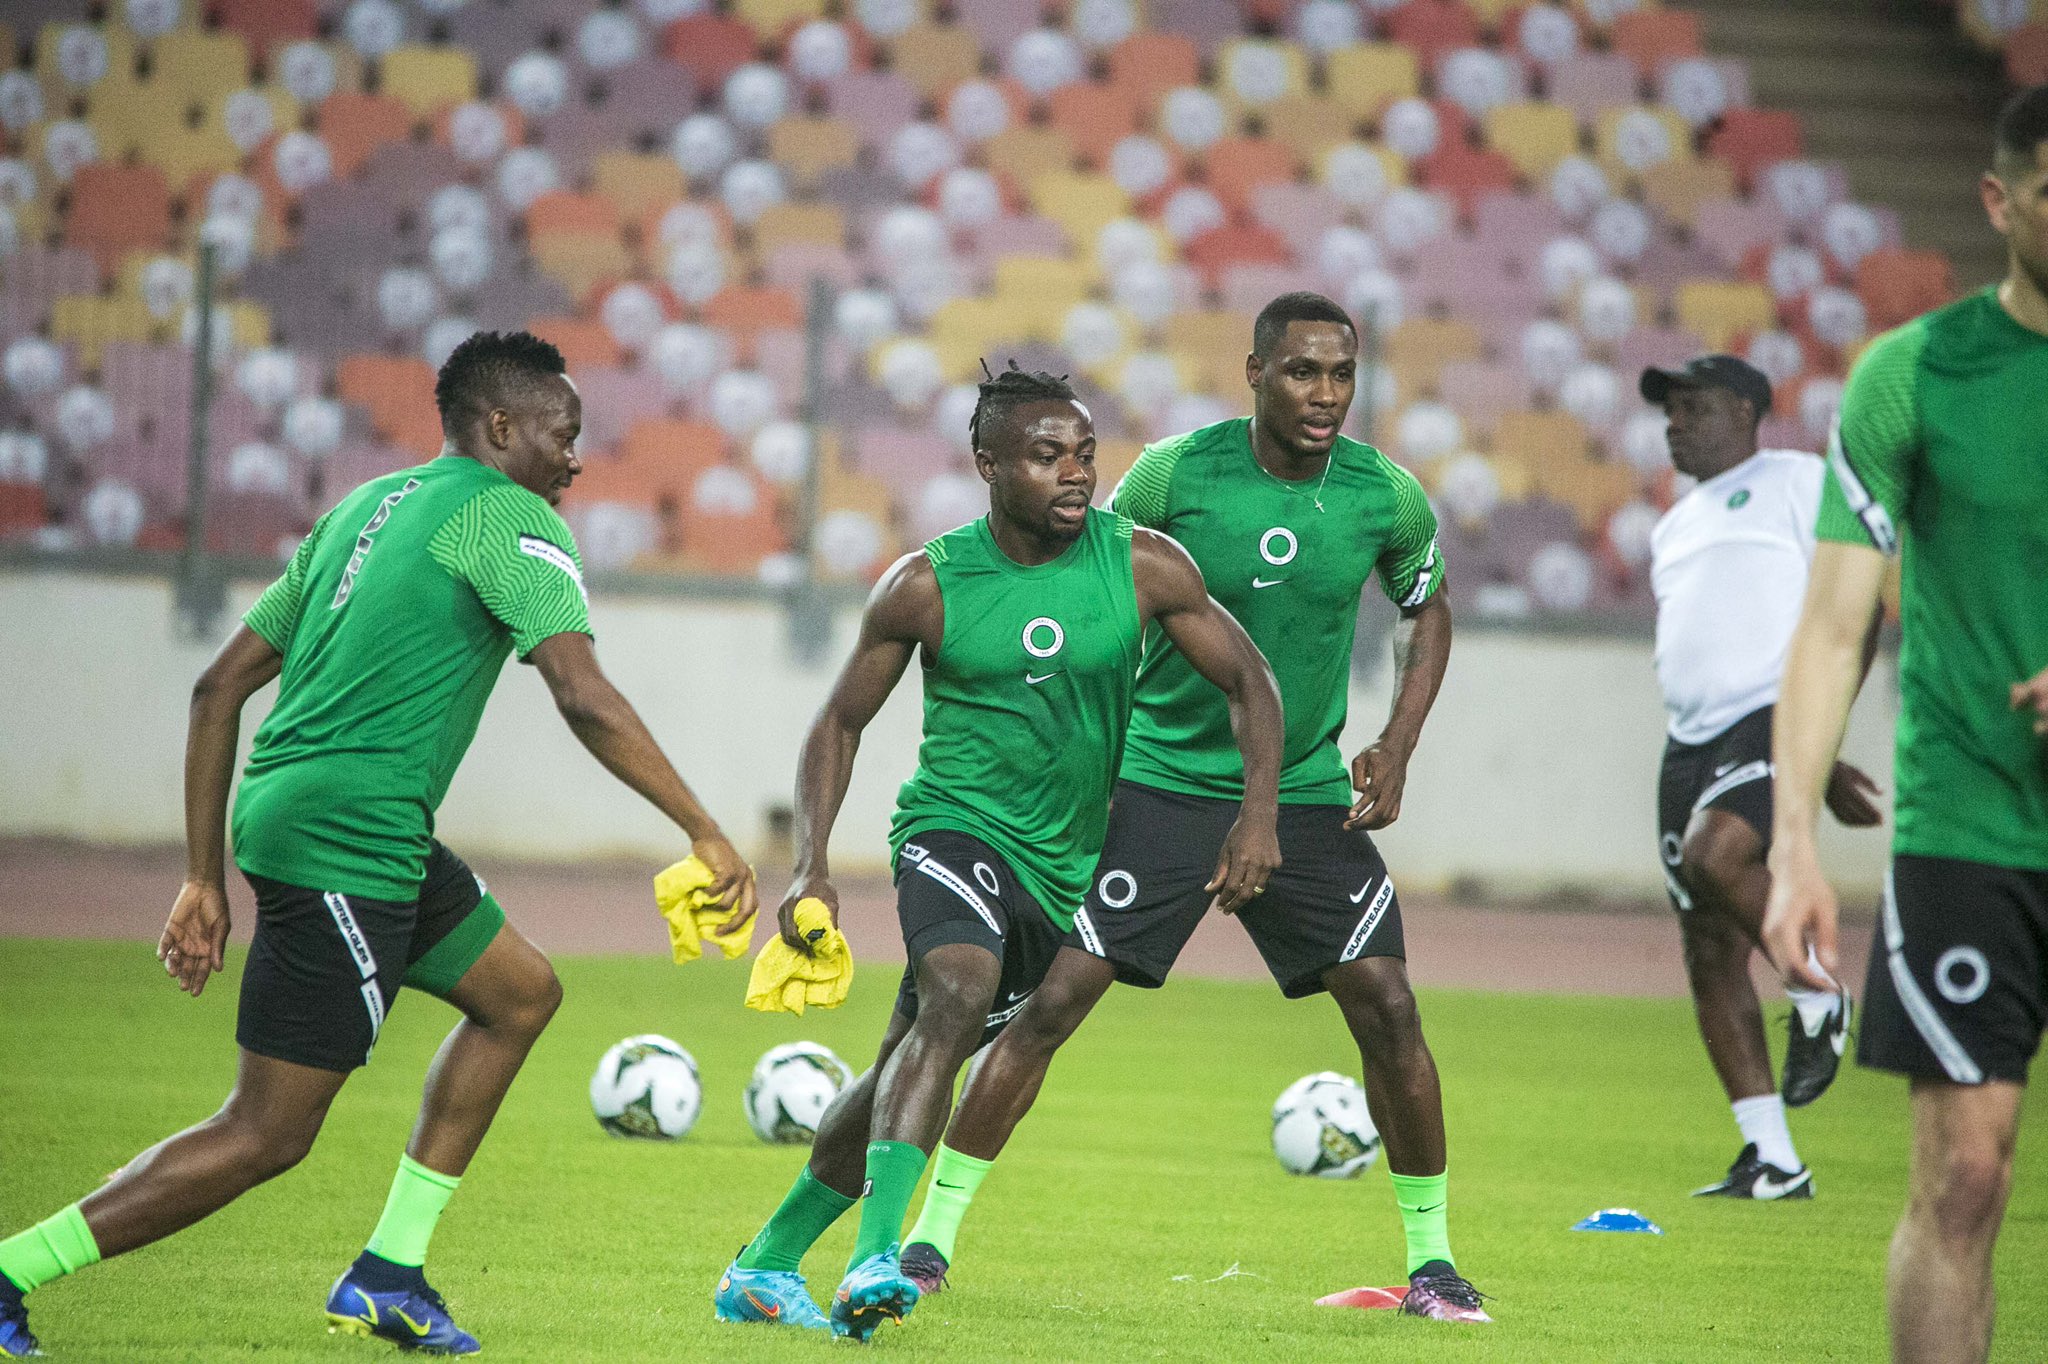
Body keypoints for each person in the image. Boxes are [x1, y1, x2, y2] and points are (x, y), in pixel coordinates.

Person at [0, 331, 755, 1359]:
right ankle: (12, 1269)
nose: (575, 459)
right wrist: (704, 828)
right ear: (501, 427)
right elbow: (580, 691)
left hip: (320, 816)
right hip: (349, 838)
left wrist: (202, 876)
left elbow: (217, 687)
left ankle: (388, 1273)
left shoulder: (363, 508)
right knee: (265, 1132)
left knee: (520, 993)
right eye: (563, 433)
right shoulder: (511, 518)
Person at [898, 292, 1491, 1322]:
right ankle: (927, 1242)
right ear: (1255, 372)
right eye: (1301, 371)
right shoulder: (1175, 475)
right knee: (1050, 1004)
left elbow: (1425, 603)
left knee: (1390, 1005)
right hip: (1156, 781)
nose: (1324, 393)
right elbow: (1091, 577)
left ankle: (1433, 1264)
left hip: (1301, 789)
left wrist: (1396, 740)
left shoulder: (1384, 495)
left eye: (1341, 374)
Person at [711, 364, 1284, 1342]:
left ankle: (761, 1266)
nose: (1076, 472)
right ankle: (876, 1260)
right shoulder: (925, 585)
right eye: (1047, 455)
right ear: (987, 464)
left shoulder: (1144, 565)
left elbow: (1251, 680)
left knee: (905, 1063)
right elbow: (838, 722)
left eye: (1085, 454)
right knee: (957, 994)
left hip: (1058, 872)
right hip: (952, 831)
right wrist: (810, 866)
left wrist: (1257, 815)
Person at [1763, 85, 2048, 1364]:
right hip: (1965, 826)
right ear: (1998, 200)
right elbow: (1832, 628)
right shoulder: (1911, 375)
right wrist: (1792, 843)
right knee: (1963, 1176)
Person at [1640, 353, 1883, 1201]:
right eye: (1669, 411)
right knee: (1707, 950)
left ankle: (1817, 991)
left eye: (1694, 406)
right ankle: (1772, 1159)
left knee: (1718, 856)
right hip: (1688, 741)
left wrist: (1818, 735)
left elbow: (1858, 610)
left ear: (1746, 412)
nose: (1675, 423)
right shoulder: (1673, 523)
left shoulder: (1797, 481)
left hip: (1770, 713)